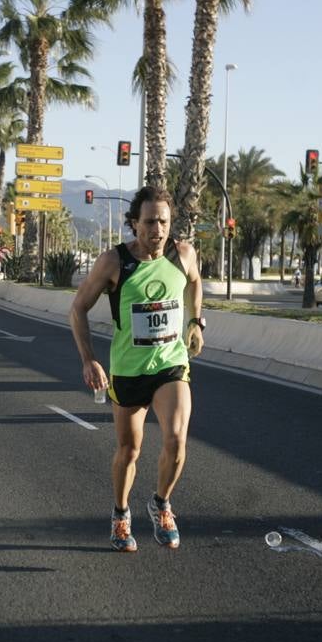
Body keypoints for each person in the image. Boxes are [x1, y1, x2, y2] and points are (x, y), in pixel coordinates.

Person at [69, 186, 204, 553]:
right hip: (128, 372)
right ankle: (120, 513)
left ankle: (161, 504)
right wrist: (88, 359)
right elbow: (78, 308)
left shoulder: (184, 255)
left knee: (176, 440)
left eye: (164, 221)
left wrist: (195, 322)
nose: (158, 229)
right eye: (150, 222)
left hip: (170, 365)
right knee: (129, 450)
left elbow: (194, 282)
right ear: (134, 224)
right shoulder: (114, 263)